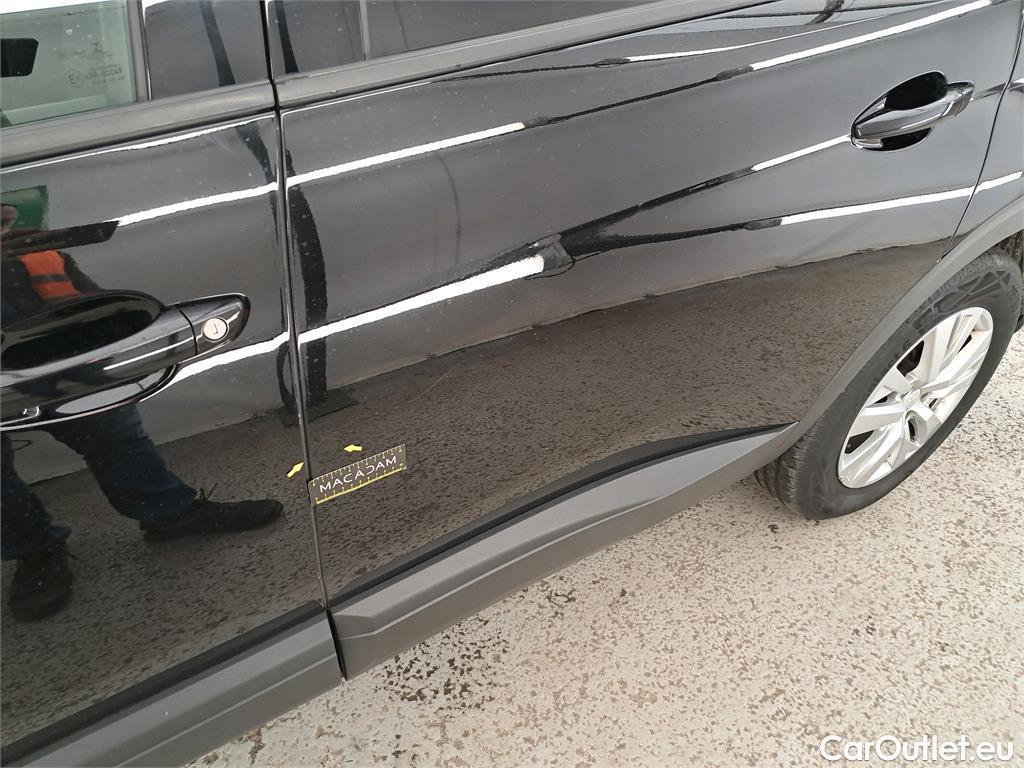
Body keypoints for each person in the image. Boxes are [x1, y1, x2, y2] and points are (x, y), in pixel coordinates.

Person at [1, 203, 282, 622]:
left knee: (112, 429)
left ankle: (168, 514)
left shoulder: (34, 252)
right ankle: (34, 551)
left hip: (55, 345)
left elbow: (92, 304)